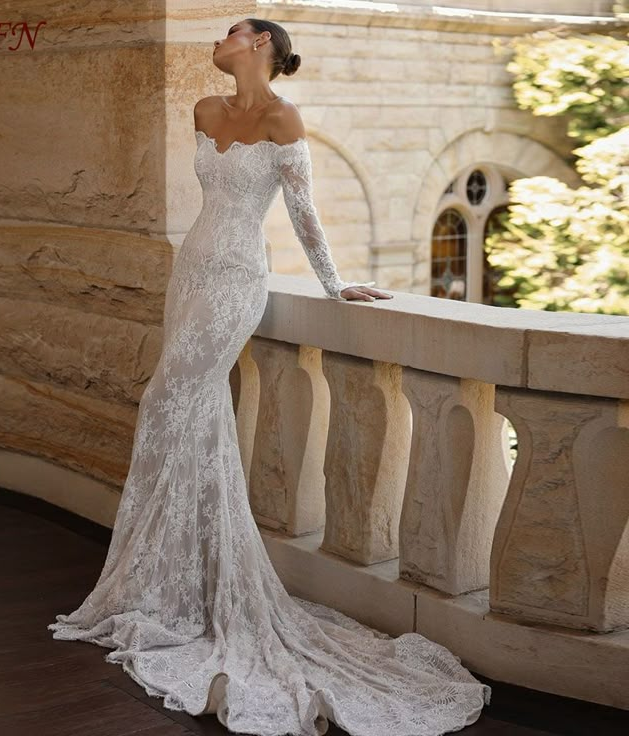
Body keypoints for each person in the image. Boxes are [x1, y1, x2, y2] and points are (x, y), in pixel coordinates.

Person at [48, 17, 491, 736]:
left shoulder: (286, 118)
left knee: (167, 401)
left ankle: (178, 583)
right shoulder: (204, 110)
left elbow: (303, 210)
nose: (218, 40)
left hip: (236, 281)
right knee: (190, 413)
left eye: (231, 31)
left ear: (261, 46)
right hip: (191, 271)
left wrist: (335, 284)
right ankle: (172, 581)